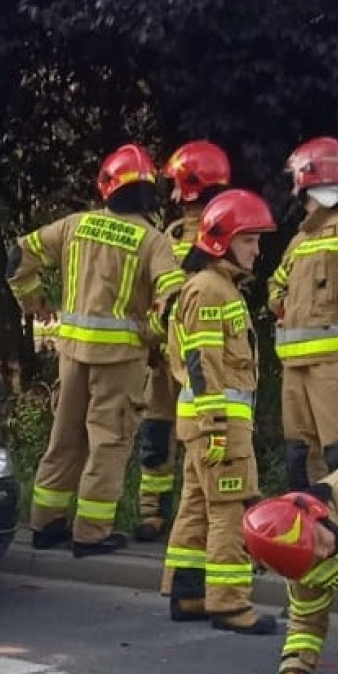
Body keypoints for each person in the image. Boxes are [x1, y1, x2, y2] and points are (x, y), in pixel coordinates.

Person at [9, 144, 187, 556]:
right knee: (109, 441)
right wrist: (155, 335)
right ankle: (91, 533)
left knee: (65, 436)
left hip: (72, 355)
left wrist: (33, 302)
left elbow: (18, 256)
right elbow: (172, 299)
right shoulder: (153, 240)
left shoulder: (74, 225)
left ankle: (46, 524)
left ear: (107, 187)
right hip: (121, 360)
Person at [161, 188, 278, 633]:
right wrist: (214, 426)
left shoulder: (214, 287)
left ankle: (189, 593)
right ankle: (229, 604)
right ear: (223, 240)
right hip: (219, 425)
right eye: (249, 240)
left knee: (196, 506)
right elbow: (202, 363)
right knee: (229, 509)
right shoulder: (211, 291)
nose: (257, 249)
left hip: (207, 423)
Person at [135, 140, 233, 541]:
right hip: (185, 355)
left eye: (177, 185)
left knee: (184, 433)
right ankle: (170, 514)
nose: (173, 194)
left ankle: (176, 514)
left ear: (194, 185)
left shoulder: (206, 234)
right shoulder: (183, 233)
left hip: (186, 354)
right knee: (176, 433)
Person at [268, 136, 338, 489]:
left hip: (333, 365)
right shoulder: (300, 241)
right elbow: (275, 285)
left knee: (337, 452)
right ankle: (308, 532)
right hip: (293, 367)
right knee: (300, 454)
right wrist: (279, 299)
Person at [242, 479, 338, 674]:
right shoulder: (299, 565)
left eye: (318, 539)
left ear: (316, 513)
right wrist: (294, 673)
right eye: (313, 559)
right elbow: (307, 623)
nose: (324, 551)